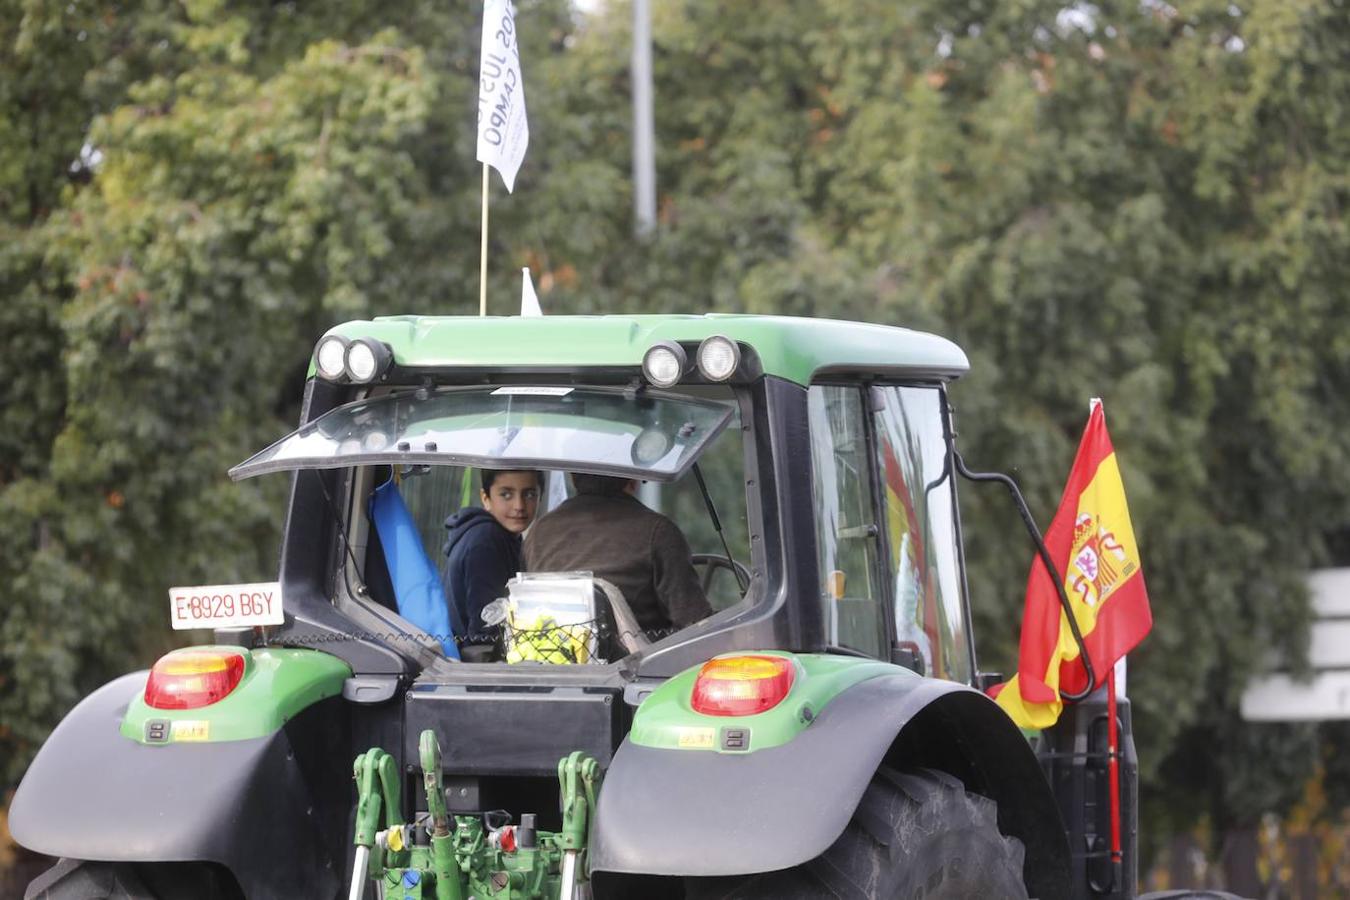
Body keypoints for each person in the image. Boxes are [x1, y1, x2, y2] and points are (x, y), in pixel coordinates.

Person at [524, 473, 712, 636]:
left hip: (550, 663)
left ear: (573, 478)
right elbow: (695, 624)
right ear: (633, 479)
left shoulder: (538, 531)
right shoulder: (659, 532)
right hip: (636, 671)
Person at [442, 469, 541, 657]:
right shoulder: (486, 540)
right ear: (485, 498)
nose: (519, 505)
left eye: (529, 494)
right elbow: (485, 630)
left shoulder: (499, 536)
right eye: (506, 494)